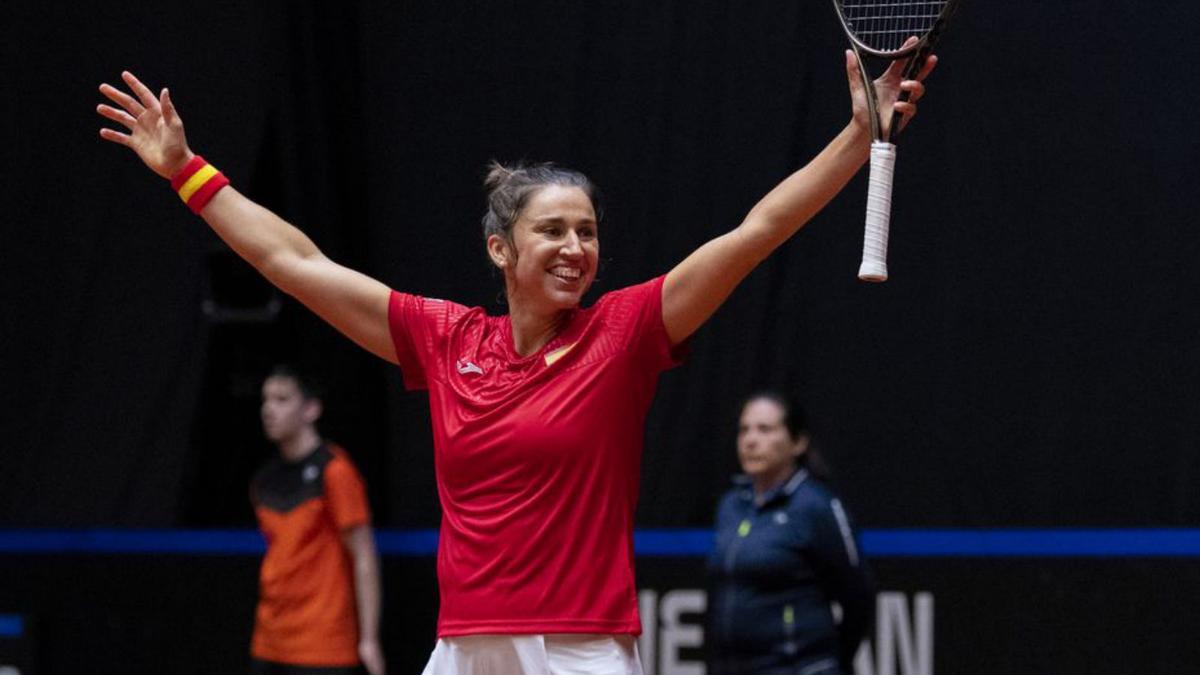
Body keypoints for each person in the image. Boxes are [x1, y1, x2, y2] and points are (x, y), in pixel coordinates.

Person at [95, 46, 934, 674]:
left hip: (582, 651)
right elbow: (297, 264)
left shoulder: (626, 332)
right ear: (500, 247)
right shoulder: (446, 337)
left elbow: (755, 233)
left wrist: (857, 137)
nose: (577, 247)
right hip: (464, 647)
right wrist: (187, 173)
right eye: (554, 230)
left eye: (589, 231)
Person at [707, 392, 874, 675]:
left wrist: (833, 663)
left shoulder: (816, 507)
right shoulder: (731, 505)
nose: (750, 440)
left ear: (798, 442)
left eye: (765, 429)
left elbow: (859, 596)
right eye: (744, 429)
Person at [249, 365, 385, 675]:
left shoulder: (336, 471)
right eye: (266, 399)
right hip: (269, 639)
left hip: (323, 644)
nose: (269, 409)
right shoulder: (264, 480)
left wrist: (369, 639)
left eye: (282, 399)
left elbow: (364, 555)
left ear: (311, 409)